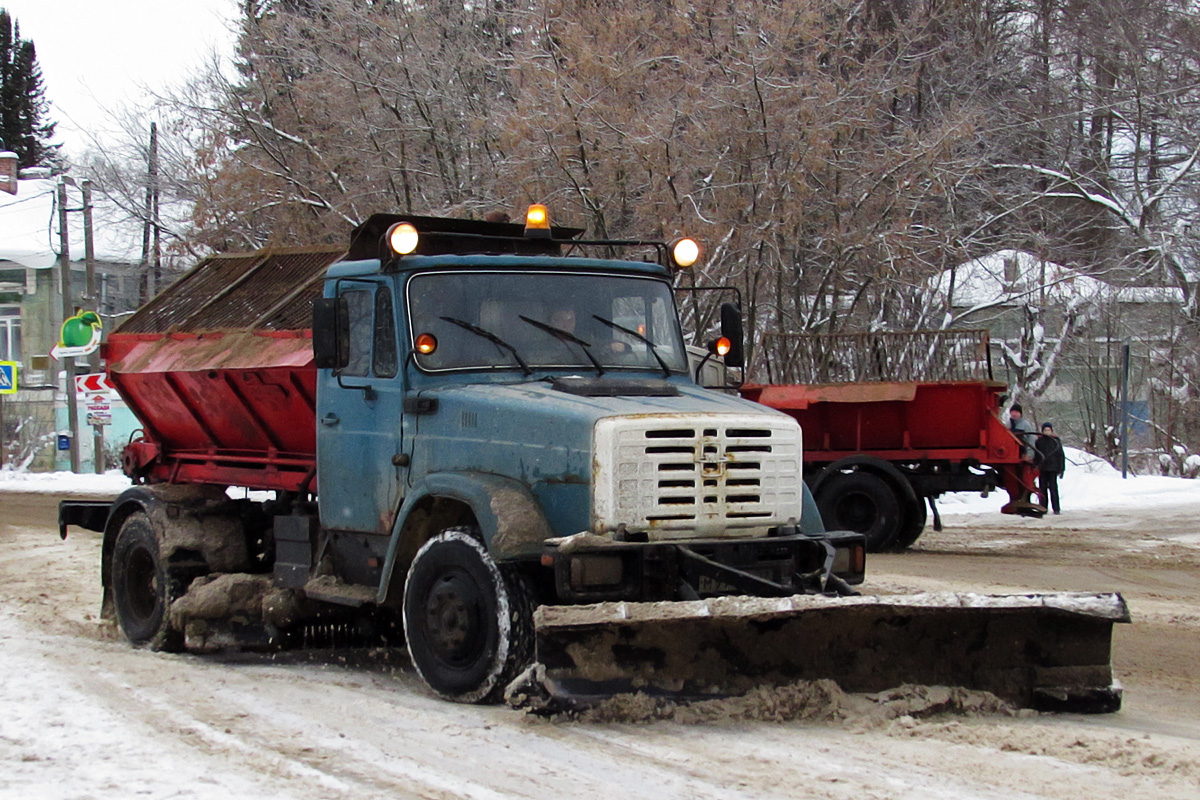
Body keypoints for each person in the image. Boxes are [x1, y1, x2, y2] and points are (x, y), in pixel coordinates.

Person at [1035, 422, 1065, 514]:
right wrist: (1035, 465)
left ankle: (1056, 508)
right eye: (1045, 430)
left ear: (1051, 431)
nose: (1047, 432)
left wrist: (1061, 469)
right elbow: (1036, 455)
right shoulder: (1039, 441)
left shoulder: (1056, 441)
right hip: (1042, 469)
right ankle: (1043, 508)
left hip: (1053, 469)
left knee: (1053, 489)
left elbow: (1060, 455)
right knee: (1042, 489)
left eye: (1048, 430)